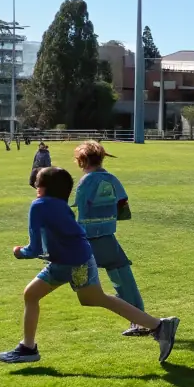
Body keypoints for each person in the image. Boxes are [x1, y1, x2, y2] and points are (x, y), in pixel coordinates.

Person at [0, 166, 178, 365]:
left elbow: (34, 248)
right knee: (35, 294)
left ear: (42, 188)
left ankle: (159, 326)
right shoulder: (59, 203)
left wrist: (18, 252)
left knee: (94, 298)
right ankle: (28, 347)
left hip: (73, 262)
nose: (35, 186)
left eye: (37, 183)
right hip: (69, 259)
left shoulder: (38, 205)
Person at [72, 141, 151, 336]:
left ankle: (141, 323)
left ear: (82, 160)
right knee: (123, 277)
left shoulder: (86, 181)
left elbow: (79, 208)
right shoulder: (111, 178)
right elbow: (122, 203)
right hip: (107, 234)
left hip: (88, 238)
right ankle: (140, 320)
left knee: (63, 275)